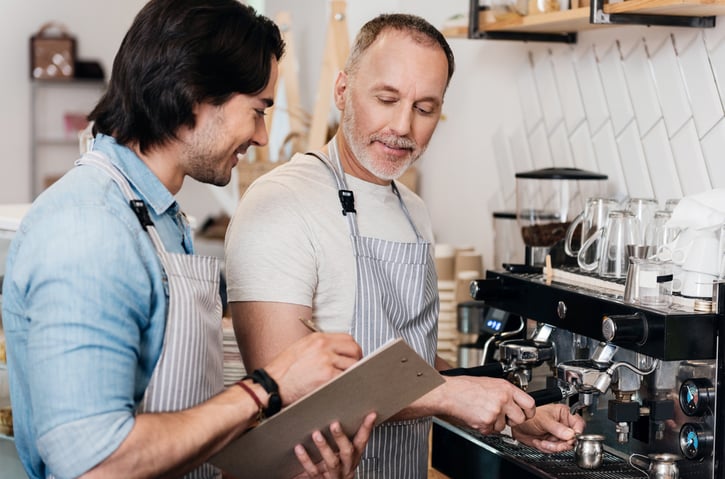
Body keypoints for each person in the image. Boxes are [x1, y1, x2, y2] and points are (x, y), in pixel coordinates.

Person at [1, 1, 376, 478]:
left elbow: (180, 430)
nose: (262, 137)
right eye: (258, 110)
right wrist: (269, 385)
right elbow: (95, 463)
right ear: (194, 92)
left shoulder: (160, 218)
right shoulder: (89, 229)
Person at [225, 12, 585, 478]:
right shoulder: (279, 202)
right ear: (342, 91)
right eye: (387, 98)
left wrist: (513, 408)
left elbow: (412, 356)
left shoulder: (413, 210)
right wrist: (451, 398)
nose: (402, 126)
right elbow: (286, 390)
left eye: (425, 107)